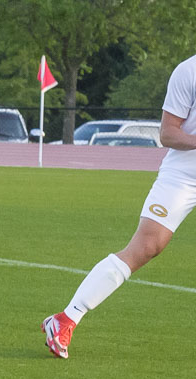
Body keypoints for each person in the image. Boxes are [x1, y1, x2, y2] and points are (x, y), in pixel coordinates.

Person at [41, 54, 196, 359]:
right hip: (184, 175)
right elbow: (167, 133)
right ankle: (66, 319)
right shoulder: (188, 71)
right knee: (146, 247)